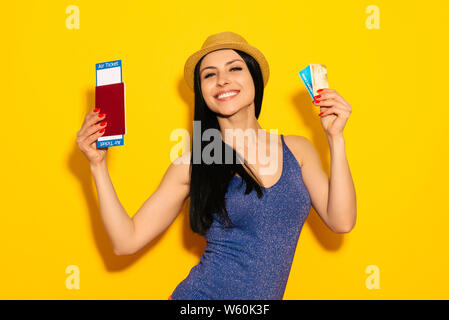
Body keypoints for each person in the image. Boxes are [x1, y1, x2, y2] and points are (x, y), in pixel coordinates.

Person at [76, 31, 357, 300]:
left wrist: (335, 138)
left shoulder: (298, 150)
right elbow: (126, 241)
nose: (222, 80)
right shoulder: (191, 165)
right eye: (209, 75)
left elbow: (341, 221)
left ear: (254, 79)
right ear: (202, 91)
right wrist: (98, 166)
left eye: (235, 69)